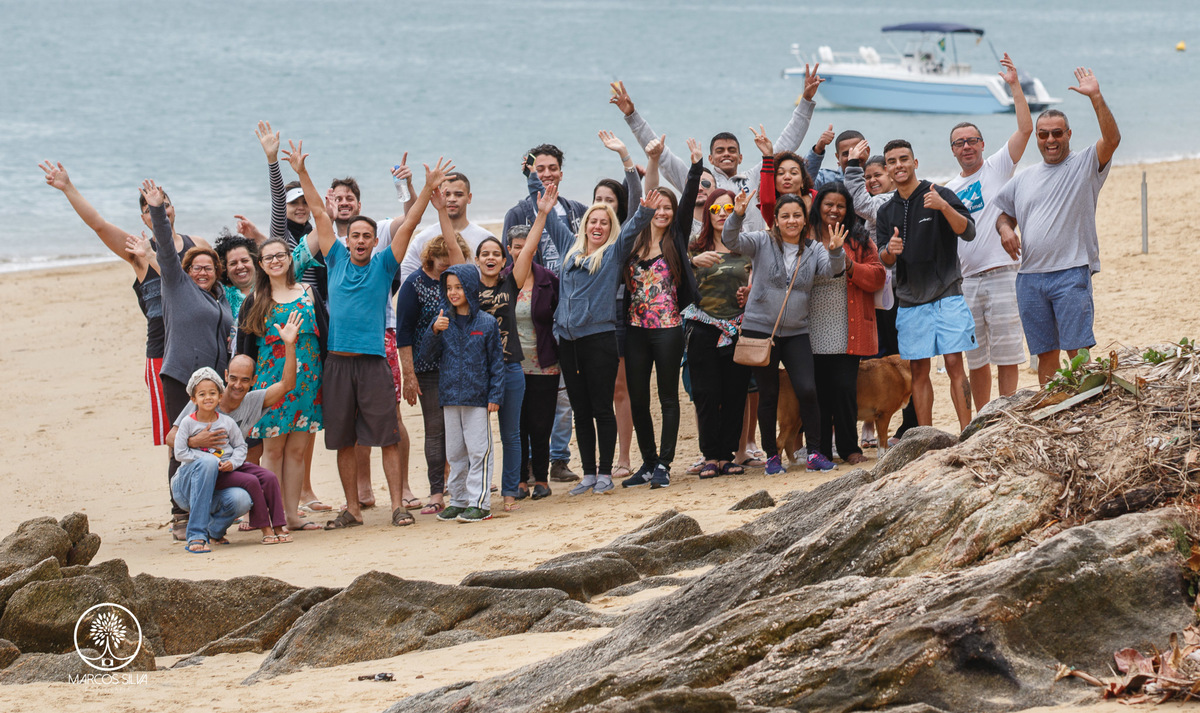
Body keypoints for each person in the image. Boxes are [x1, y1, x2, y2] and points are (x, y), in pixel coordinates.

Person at [287, 139, 450, 530]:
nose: (360, 241)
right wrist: (301, 172)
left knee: (389, 435)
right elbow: (318, 215)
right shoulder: (336, 257)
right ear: (348, 241)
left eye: (367, 236)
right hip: (338, 363)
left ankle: (397, 506)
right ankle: (353, 510)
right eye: (355, 236)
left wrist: (427, 188)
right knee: (344, 440)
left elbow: (409, 224)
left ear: (374, 241)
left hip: (375, 362)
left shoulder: (383, 264)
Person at [39, 161, 207, 538]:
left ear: (172, 208)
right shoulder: (136, 250)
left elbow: (212, 295)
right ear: (143, 216)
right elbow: (98, 224)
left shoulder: (198, 249)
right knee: (177, 437)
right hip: (164, 356)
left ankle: (209, 504)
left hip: (203, 351)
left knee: (213, 428)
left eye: (163, 203)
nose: (158, 210)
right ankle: (181, 512)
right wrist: (68, 187)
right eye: (149, 207)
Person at [529, 159, 663, 495]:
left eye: (604, 221)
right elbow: (547, 211)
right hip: (569, 342)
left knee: (602, 407)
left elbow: (633, 226)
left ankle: (605, 472)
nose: (598, 226)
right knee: (581, 409)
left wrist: (644, 208)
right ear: (585, 225)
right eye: (593, 221)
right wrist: (536, 188)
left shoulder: (614, 253)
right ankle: (588, 473)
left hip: (599, 340)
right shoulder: (569, 248)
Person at [995, 67, 1120, 385]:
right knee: (1045, 356)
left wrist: (1095, 97)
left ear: (1068, 134)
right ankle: (1054, 409)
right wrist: (1006, 229)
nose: (1050, 140)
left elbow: (1112, 138)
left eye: (1057, 133)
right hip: (1029, 279)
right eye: (1043, 134)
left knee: (1077, 352)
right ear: (1037, 137)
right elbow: (1003, 212)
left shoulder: (1085, 164)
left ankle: (1087, 408)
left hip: (1071, 272)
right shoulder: (1024, 176)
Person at [723, 190, 845, 474]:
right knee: (768, 394)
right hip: (760, 330)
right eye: (785, 216)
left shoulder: (814, 249)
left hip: (797, 331)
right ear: (776, 220)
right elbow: (731, 240)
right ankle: (772, 457)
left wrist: (836, 250)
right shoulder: (762, 241)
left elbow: (832, 271)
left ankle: (814, 453)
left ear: (805, 220)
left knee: (807, 389)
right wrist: (737, 215)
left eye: (797, 216)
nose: (791, 220)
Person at [610, 68, 822, 230]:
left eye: (731, 150)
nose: (726, 154)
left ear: (740, 157)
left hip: (749, 259)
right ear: (710, 159)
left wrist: (806, 101)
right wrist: (632, 116)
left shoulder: (754, 178)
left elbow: (788, 143)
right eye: (720, 151)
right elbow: (662, 155)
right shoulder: (700, 183)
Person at [941, 54, 1033, 411]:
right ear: (952, 150)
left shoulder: (997, 166)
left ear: (982, 144)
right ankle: (983, 417)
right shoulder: (947, 188)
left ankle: (1006, 412)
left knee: (1007, 352)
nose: (967, 146)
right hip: (966, 281)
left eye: (972, 140)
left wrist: (1014, 86)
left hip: (1003, 272)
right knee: (976, 358)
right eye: (960, 142)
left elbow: (1025, 129)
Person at [169, 313, 303, 538]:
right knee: (219, 467)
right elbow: (170, 438)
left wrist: (290, 345)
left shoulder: (253, 401)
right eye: (233, 378)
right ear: (225, 376)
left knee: (246, 496)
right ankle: (199, 532)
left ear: (253, 381)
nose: (237, 385)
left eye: (244, 380)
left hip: (224, 473)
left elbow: (287, 384)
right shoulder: (208, 398)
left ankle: (217, 531)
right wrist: (195, 441)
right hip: (189, 483)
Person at [618, 139, 703, 489]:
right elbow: (647, 190)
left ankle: (665, 464)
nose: (664, 212)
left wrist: (695, 167)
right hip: (635, 329)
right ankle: (648, 462)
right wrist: (644, 160)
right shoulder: (635, 235)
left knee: (668, 396)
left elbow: (686, 202)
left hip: (668, 328)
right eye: (660, 207)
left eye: (668, 208)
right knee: (639, 398)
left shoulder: (677, 237)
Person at [876, 140, 977, 431]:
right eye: (892, 161)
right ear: (887, 168)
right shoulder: (886, 212)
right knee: (919, 371)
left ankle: (967, 432)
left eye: (904, 159)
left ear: (915, 162)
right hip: (909, 301)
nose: (899, 165)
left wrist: (944, 207)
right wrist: (889, 251)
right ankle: (926, 436)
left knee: (955, 365)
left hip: (947, 294)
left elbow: (968, 231)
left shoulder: (940, 194)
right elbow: (886, 260)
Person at [236, 237, 328, 533]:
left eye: (281, 255)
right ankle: (274, 515)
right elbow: (245, 348)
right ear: (261, 265)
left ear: (290, 258)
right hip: (272, 384)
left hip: (307, 384)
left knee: (298, 450)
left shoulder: (308, 292)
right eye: (268, 258)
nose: (275, 261)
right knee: (273, 451)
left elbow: (324, 338)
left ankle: (292, 514)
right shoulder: (256, 298)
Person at [474, 186, 555, 511]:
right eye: (485, 254)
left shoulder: (512, 282)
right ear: (477, 260)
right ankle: (476, 497)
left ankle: (510, 494)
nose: (491, 258)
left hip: (510, 367)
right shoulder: (468, 284)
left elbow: (530, 248)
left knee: (512, 434)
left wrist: (543, 214)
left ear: (505, 258)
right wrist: (440, 212)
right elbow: (453, 248)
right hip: (478, 370)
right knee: (478, 441)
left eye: (497, 254)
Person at [807, 184, 886, 465]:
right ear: (818, 206)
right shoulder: (805, 236)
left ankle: (849, 448)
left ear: (848, 210)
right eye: (828, 204)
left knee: (843, 390)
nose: (834, 210)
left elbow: (878, 276)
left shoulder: (860, 240)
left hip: (847, 327)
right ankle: (819, 451)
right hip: (809, 326)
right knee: (816, 392)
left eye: (840, 205)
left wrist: (849, 264)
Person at [421, 265, 505, 523]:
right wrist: (434, 331)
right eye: (449, 288)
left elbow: (497, 363)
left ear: (470, 287)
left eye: (458, 287)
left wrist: (495, 395)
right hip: (449, 397)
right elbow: (424, 357)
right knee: (455, 452)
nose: (454, 292)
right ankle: (458, 501)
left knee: (479, 450)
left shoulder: (487, 323)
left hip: (478, 398)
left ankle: (480, 503)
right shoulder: (442, 320)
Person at [397, 232, 472, 516]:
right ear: (430, 258)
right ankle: (436, 491)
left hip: (460, 365)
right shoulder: (414, 284)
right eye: (442, 264)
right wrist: (409, 374)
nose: (446, 269)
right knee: (435, 430)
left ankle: (464, 485)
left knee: (464, 428)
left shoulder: (458, 281)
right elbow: (402, 334)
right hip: (427, 368)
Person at [683, 188, 752, 478]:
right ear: (706, 214)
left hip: (737, 328)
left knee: (736, 393)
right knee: (706, 394)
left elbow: (761, 281)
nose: (722, 214)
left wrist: (751, 293)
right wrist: (691, 263)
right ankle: (710, 456)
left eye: (727, 208)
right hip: (702, 327)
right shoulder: (693, 249)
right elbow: (672, 275)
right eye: (715, 210)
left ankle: (728, 455)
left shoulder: (746, 247)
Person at [591, 130, 645, 482]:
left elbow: (640, 200)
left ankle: (625, 457)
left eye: (610, 199)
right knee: (596, 392)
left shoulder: (625, 234)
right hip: (591, 322)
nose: (604, 204)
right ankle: (599, 458)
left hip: (621, 317)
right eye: (598, 199)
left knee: (620, 388)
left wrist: (627, 159)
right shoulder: (586, 236)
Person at [172, 368, 256, 554]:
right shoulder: (187, 422)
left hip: (215, 487)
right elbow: (179, 453)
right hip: (185, 487)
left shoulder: (226, 423)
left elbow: (241, 447)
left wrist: (232, 463)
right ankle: (196, 535)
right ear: (193, 399)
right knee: (209, 462)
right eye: (202, 394)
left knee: (242, 500)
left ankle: (213, 531)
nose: (207, 398)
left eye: (212, 393)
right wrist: (207, 458)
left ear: (220, 396)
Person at [506, 224, 560, 501]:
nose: (521, 250)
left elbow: (559, 317)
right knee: (517, 426)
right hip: (512, 367)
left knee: (541, 425)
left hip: (544, 364)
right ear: (509, 249)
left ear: (534, 247)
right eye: (516, 246)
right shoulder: (502, 281)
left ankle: (541, 478)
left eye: (526, 245)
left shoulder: (548, 279)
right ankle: (519, 481)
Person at [400, 172, 495, 284]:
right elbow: (405, 276)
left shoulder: (486, 238)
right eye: (446, 194)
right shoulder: (423, 238)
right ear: (437, 195)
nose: (452, 199)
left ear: (469, 198)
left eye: (458, 194)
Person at [214, 231, 258, 321]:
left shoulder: (269, 286)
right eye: (233, 263)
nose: (240, 266)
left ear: (254, 262)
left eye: (245, 260)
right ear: (225, 269)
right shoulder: (220, 295)